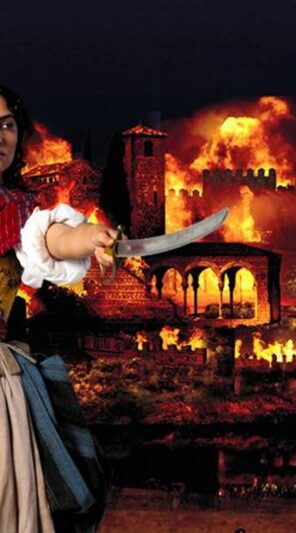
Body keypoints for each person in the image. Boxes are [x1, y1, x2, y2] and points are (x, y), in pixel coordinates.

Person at [0, 84, 117, 532]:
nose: (0, 136)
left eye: (7, 125)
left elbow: (52, 239)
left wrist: (91, 237)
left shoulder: (20, 212)